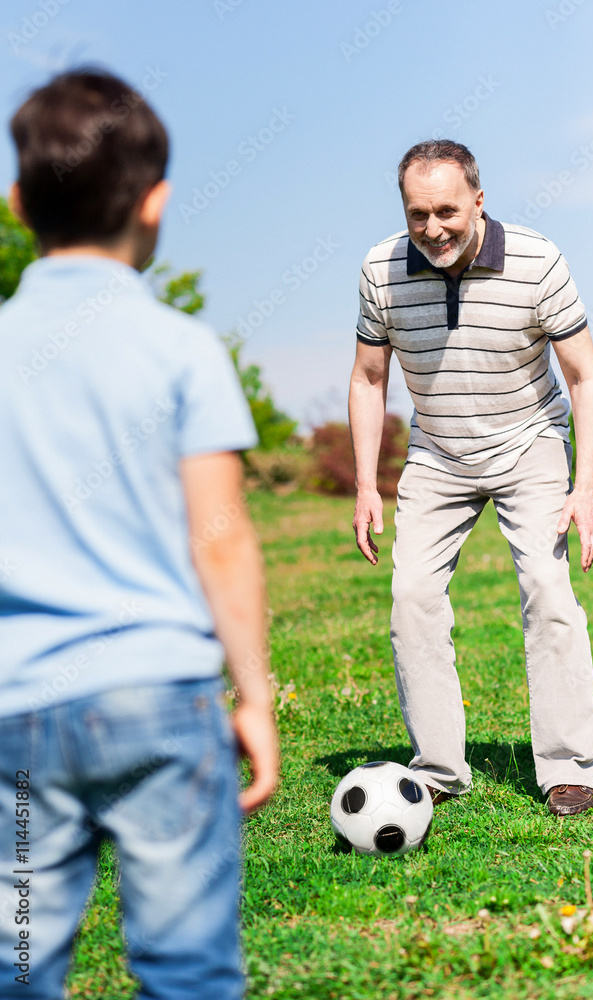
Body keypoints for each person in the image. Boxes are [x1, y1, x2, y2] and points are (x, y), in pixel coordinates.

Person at [0, 69, 279, 999]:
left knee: (19, 962)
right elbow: (222, 536)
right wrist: (255, 697)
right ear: (156, 203)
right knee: (188, 971)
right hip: (160, 708)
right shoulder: (183, 350)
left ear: (16, 203)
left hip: (18, 726)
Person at [349, 139, 593, 818]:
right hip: (436, 453)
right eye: (416, 214)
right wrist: (364, 484)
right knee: (411, 598)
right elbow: (368, 378)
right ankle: (437, 769)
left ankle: (566, 768)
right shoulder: (380, 270)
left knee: (548, 588)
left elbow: (583, 378)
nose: (431, 228)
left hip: (529, 443)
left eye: (445, 211)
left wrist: (584, 488)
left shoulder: (536, 260)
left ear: (478, 202)